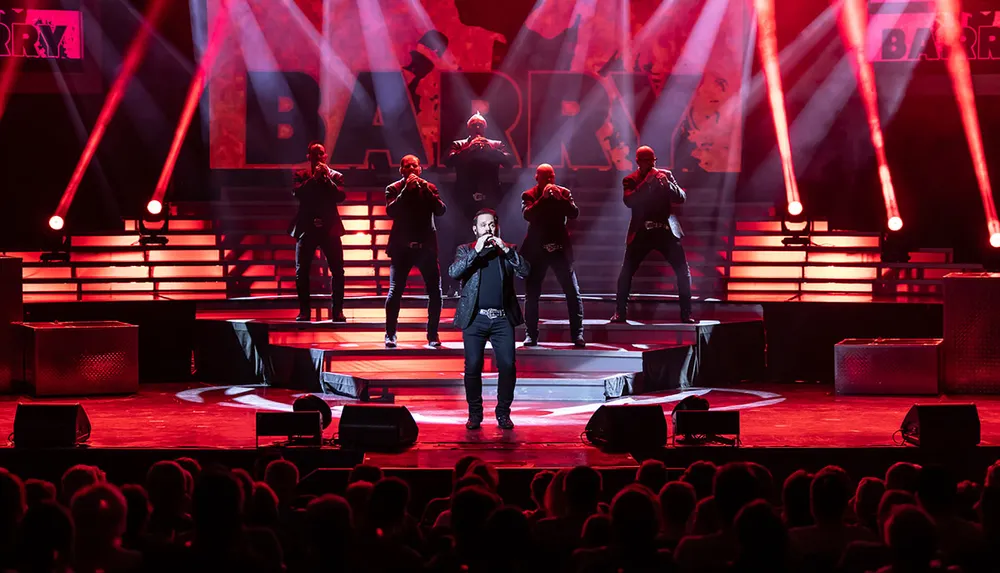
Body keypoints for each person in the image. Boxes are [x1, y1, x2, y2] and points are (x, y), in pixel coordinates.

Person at [448, 208, 529, 430]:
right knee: (473, 366)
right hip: (475, 318)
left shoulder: (508, 250)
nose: (488, 229)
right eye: (483, 225)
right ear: (475, 229)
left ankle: (503, 413)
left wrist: (507, 250)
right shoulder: (465, 250)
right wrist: (476, 252)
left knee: (508, 366)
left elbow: (525, 271)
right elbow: (454, 272)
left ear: (497, 227)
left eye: (492, 224)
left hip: (502, 319)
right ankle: (475, 414)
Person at [612, 145, 695, 324]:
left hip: (666, 231)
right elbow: (630, 201)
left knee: (683, 271)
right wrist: (647, 182)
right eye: (646, 161)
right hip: (642, 231)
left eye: (652, 161)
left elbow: (681, 197)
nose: (650, 165)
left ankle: (686, 314)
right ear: (638, 162)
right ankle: (620, 312)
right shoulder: (630, 180)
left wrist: (669, 184)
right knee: (627, 271)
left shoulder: (664, 176)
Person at [443, 112, 514, 291]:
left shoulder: (495, 144)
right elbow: (448, 161)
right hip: (465, 201)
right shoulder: (460, 145)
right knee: (462, 239)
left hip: (490, 200)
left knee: (492, 239)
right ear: (468, 128)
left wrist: (490, 150)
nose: (477, 128)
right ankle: (456, 284)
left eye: (480, 125)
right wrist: (469, 149)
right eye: (473, 125)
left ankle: (496, 283)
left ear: (485, 127)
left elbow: (510, 162)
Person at [384, 154, 447, 348]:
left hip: (425, 248)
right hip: (402, 248)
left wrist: (426, 190)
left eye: (414, 166)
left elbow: (441, 210)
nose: (411, 169)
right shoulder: (394, 189)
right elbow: (391, 211)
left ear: (420, 169)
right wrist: (405, 191)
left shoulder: (429, 188)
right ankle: (390, 334)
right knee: (395, 291)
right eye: (407, 166)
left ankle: (433, 335)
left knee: (435, 292)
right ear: (401, 170)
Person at [520, 163, 585, 348]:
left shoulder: (563, 193)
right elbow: (528, 215)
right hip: (536, 250)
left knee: (572, 292)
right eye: (545, 177)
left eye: (551, 177)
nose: (549, 180)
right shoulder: (529, 195)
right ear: (537, 178)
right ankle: (531, 334)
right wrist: (543, 198)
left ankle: (577, 334)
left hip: (559, 248)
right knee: (532, 294)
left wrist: (560, 199)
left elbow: (574, 213)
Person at [289, 142, 347, 322]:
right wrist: (314, 179)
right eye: (315, 154)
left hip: (330, 229)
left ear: (325, 156)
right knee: (302, 271)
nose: (319, 157)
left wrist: (326, 179)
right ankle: (304, 311)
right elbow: (298, 193)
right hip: (307, 228)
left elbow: (340, 196)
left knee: (337, 271)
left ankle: (337, 311)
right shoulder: (301, 175)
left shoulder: (336, 176)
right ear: (309, 157)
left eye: (321, 154)